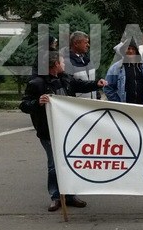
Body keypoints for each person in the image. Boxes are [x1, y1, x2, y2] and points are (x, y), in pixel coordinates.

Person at [19, 51, 107, 212]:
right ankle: (55, 197)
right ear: (55, 65)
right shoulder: (36, 83)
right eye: (62, 62)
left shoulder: (65, 78)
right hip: (48, 131)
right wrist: (37, 102)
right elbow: (24, 105)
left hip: (67, 130)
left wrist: (97, 83)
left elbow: (80, 85)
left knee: (70, 162)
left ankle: (70, 195)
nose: (64, 64)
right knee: (54, 164)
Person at [104, 41, 143, 105]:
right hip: (124, 108)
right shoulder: (115, 68)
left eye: (133, 49)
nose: (131, 51)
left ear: (137, 51)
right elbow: (107, 87)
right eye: (128, 48)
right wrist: (117, 102)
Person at [66, 31, 98, 100]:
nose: (88, 45)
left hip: (93, 104)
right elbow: (70, 86)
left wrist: (98, 97)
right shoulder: (67, 62)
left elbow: (93, 80)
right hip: (79, 107)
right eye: (86, 43)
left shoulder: (88, 60)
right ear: (76, 44)